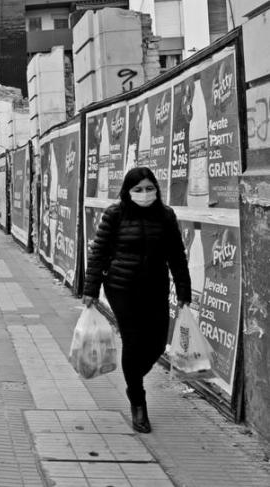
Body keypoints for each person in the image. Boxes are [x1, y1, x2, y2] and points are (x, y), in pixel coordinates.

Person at [83, 166, 191, 434]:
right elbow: (99, 253)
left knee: (156, 342)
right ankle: (138, 402)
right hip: (121, 288)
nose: (145, 194)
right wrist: (90, 290)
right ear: (127, 192)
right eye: (138, 189)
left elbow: (177, 256)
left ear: (156, 189)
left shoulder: (165, 216)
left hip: (155, 287)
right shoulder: (115, 214)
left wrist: (184, 292)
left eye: (149, 188)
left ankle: (133, 375)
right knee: (133, 341)